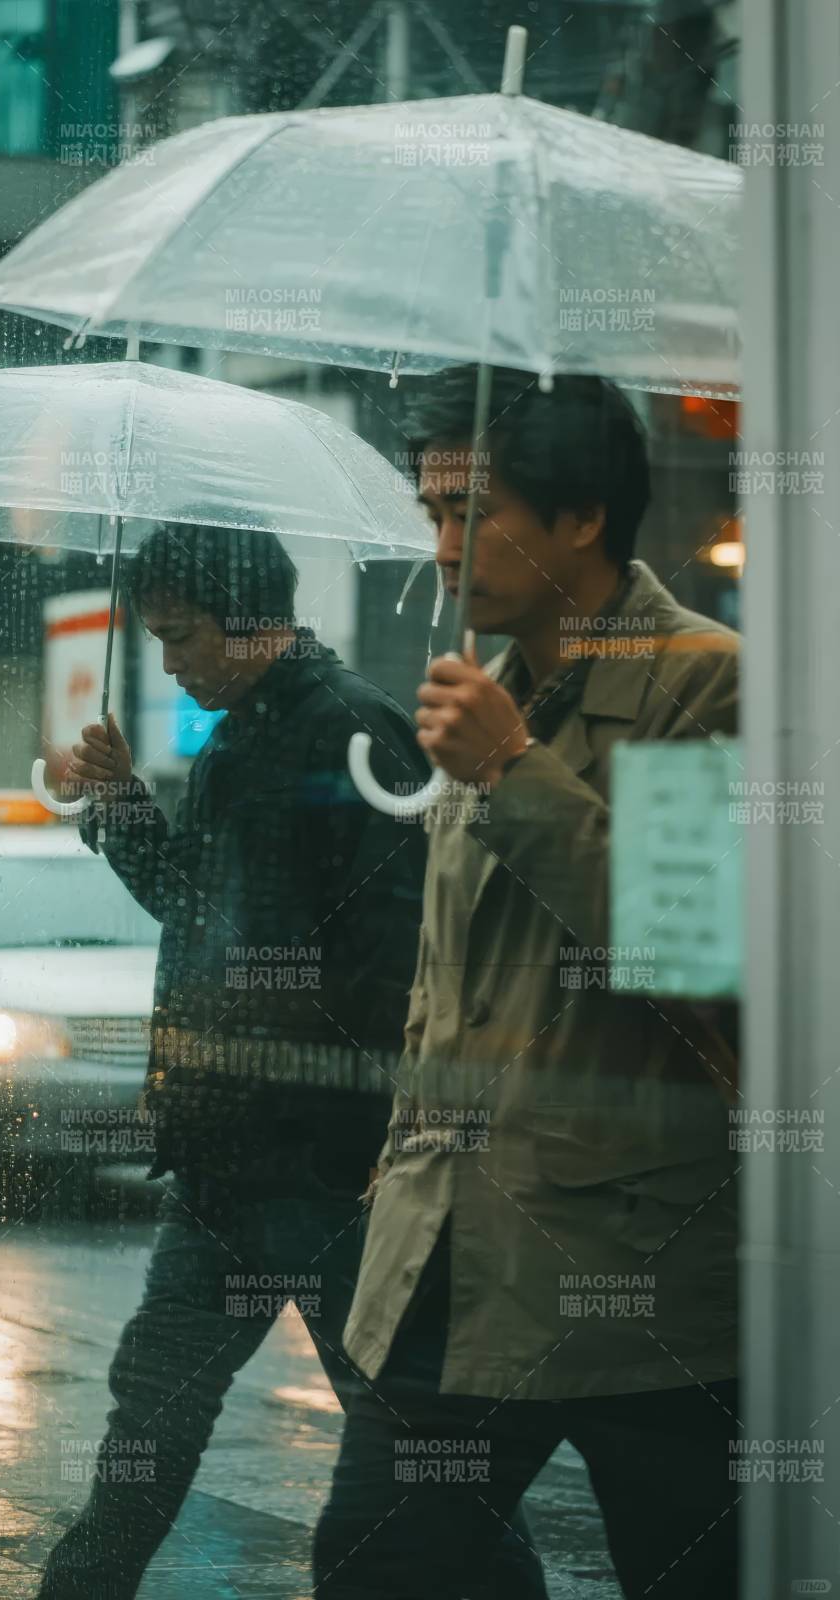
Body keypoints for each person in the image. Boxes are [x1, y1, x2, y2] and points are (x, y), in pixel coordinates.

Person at [37, 524, 547, 1599]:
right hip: (225, 1162)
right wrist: (124, 802)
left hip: (323, 1172)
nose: (168, 661)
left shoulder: (348, 728)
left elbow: (397, 963)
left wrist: (343, 1140)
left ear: (249, 620)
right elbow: (194, 908)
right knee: (154, 1410)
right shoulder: (237, 735)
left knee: (408, 1444)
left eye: (179, 636)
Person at [313, 366, 742, 1600]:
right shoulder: (482, 694)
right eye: (430, 511)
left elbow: (691, 945)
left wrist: (514, 767)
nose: (442, 547)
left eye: (474, 512)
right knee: (379, 1565)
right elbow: (446, 981)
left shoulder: (700, 679)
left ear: (582, 518)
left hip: (643, 1277)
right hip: (451, 1256)